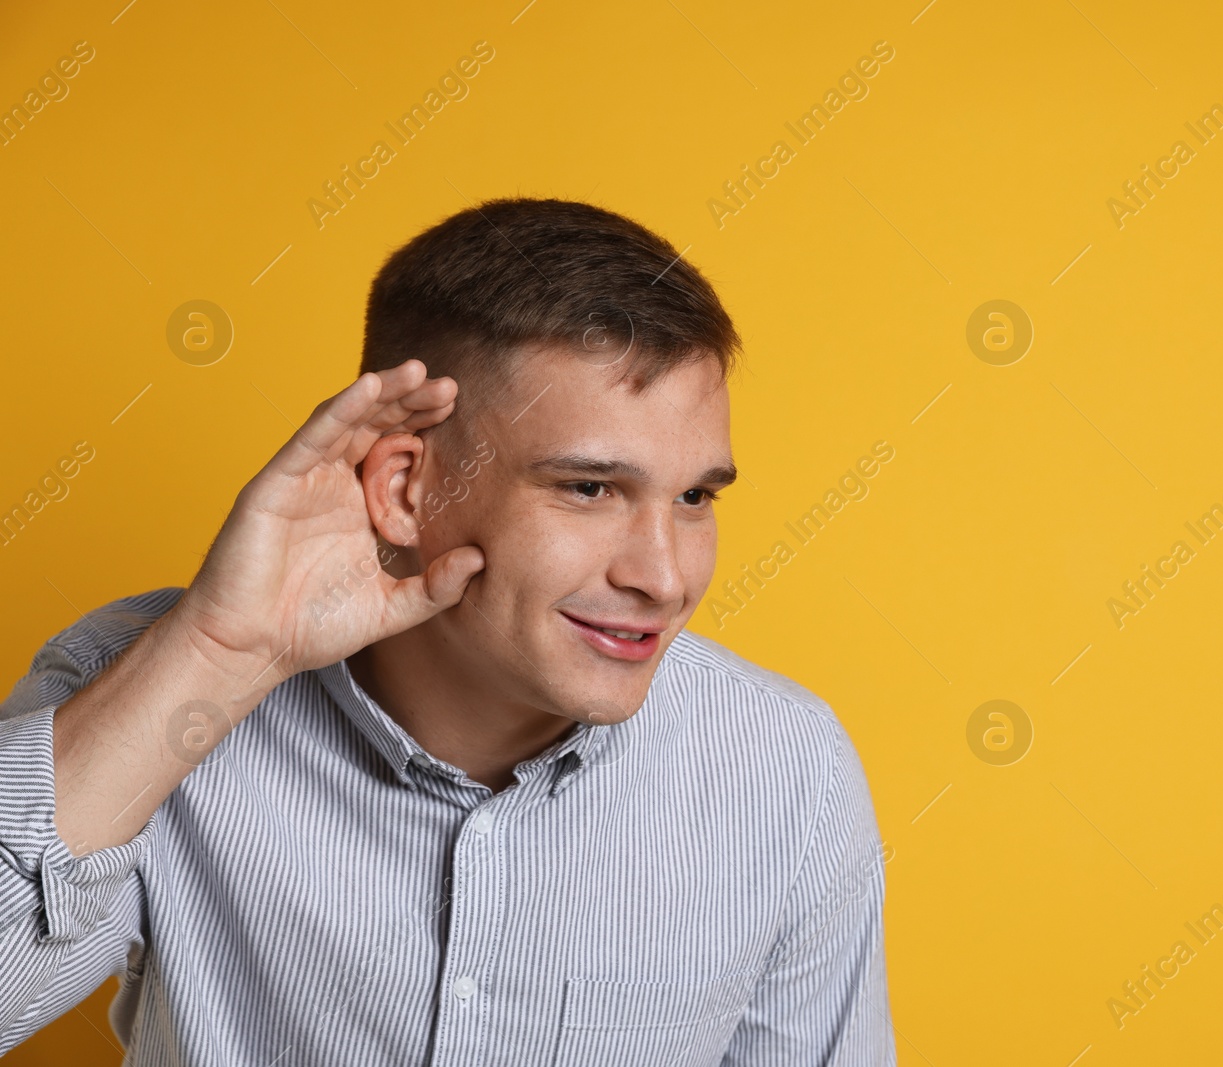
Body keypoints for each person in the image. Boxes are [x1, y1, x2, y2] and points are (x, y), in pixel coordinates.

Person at [0, 199, 894, 1064]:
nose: (663, 578)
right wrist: (216, 656)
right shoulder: (140, 682)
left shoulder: (788, 774)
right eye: (588, 487)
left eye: (695, 496)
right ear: (404, 486)